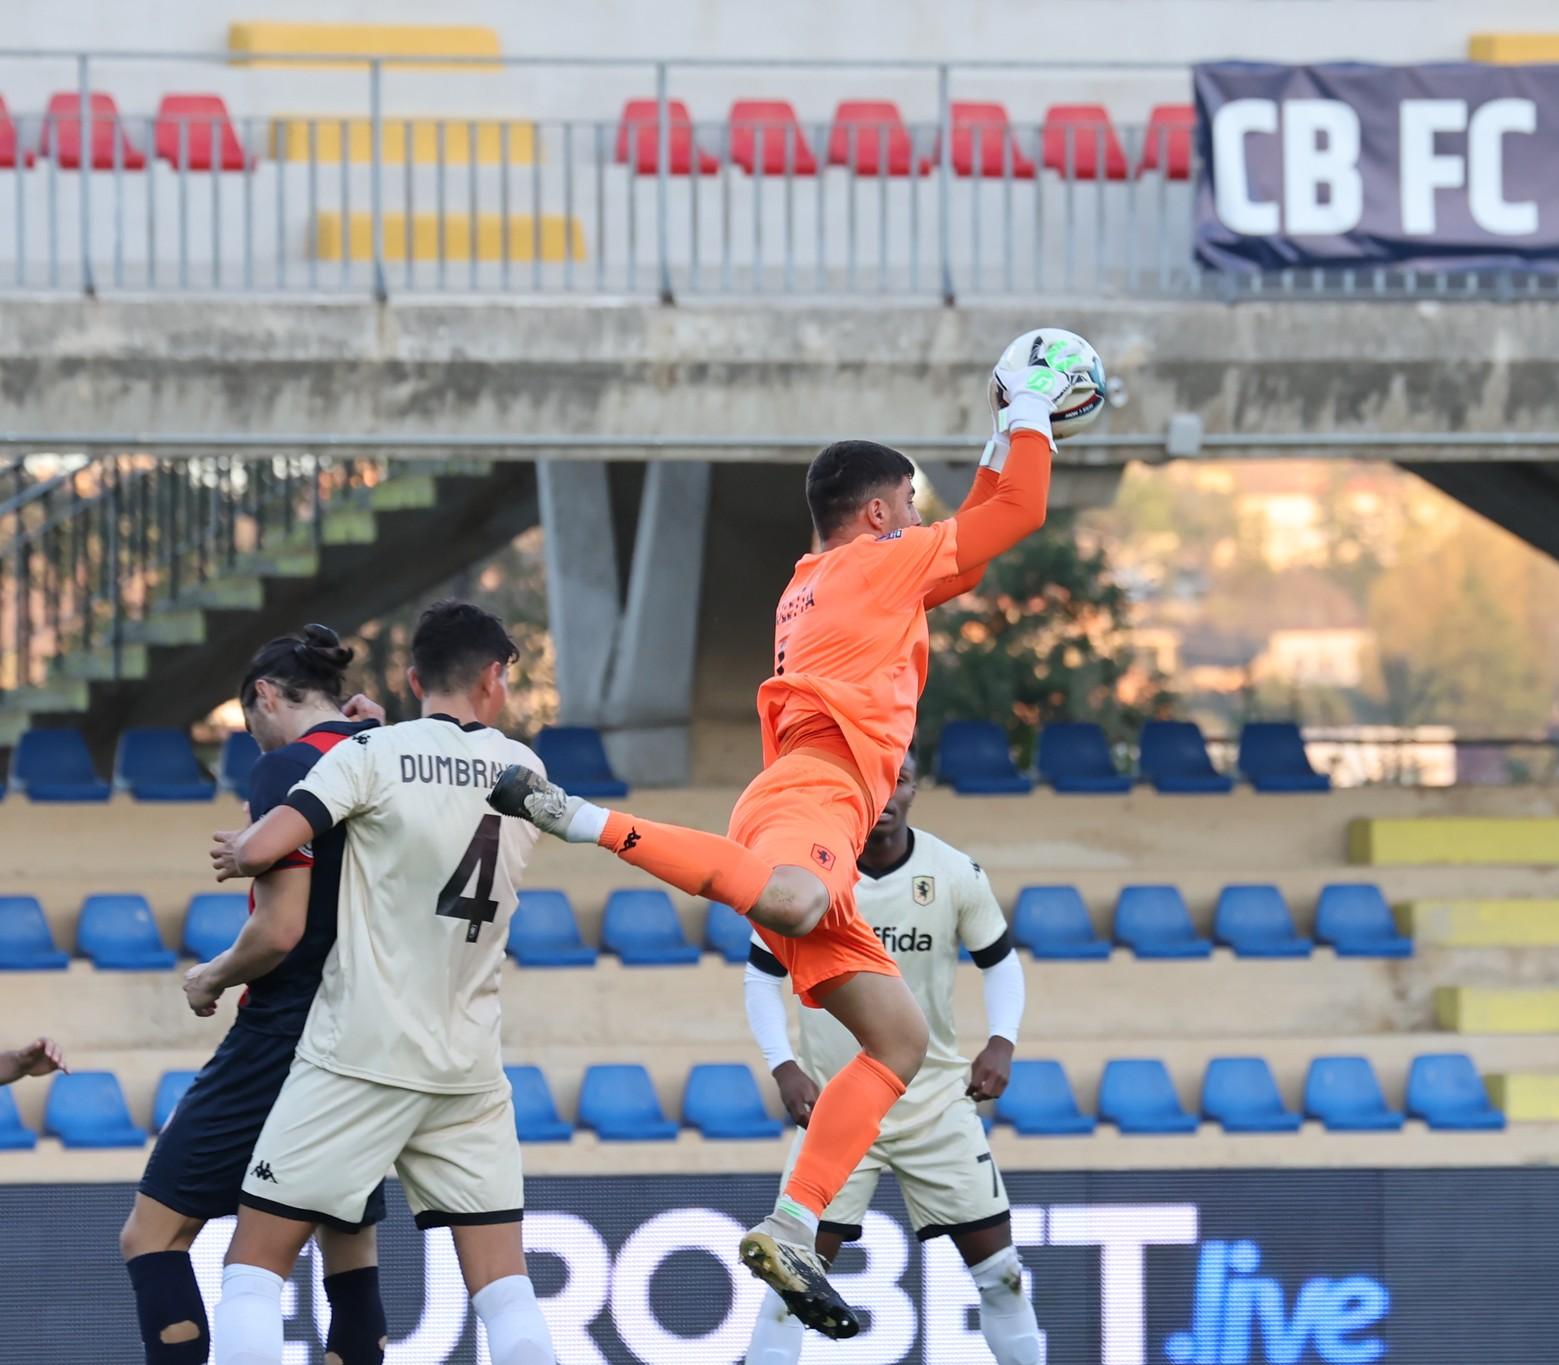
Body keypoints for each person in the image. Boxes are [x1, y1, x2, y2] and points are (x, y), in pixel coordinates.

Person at [490, 342, 1084, 1337]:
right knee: (795, 899)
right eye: (910, 503)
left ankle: (793, 1223)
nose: (921, 519)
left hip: (805, 805)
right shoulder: (873, 567)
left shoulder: (825, 578)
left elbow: (977, 549)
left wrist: (1000, 437)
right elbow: (1016, 515)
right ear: (879, 514)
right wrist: (1027, 407)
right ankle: (587, 819)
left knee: (899, 1040)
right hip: (812, 798)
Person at [206, 602, 557, 1365]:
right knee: (506, 1292)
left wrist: (242, 850)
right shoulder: (526, 770)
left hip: (360, 1052)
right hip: (468, 1065)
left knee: (252, 1269)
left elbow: (267, 845)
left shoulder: (373, 754)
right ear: (493, 678)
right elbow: (450, 774)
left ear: (412, 678)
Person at [122, 625, 391, 1365]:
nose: (256, 743)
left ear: (266, 696)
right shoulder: (387, 754)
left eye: (250, 724)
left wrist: (210, 975)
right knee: (349, 1245)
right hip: (377, 1034)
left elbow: (279, 931)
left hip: (285, 1031)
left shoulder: (289, 769)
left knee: (153, 1235)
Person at [742, 751, 1038, 1365]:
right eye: (873, 780)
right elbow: (760, 976)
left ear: (913, 788)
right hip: (838, 1113)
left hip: (936, 1107)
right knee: (787, 1288)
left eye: (898, 779)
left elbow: (1001, 962)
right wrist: (783, 1064)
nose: (885, 793)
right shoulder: (807, 872)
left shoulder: (953, 872)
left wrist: (1002, 1040)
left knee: (1004, 1277)